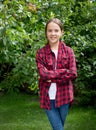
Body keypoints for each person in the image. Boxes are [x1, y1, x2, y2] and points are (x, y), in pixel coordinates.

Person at [36, 18, 77, 130]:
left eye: (56, 30)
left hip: (64, 96)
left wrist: (51, 76)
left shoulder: (69, 51)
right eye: (50, 31)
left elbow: (73, 73)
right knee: (58, 128)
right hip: (47, 97)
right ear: (46, 33)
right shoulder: (41, 53)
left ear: (61, 32)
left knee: (58, 127)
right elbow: (43, 74)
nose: (53, 34)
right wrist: (63, 71)